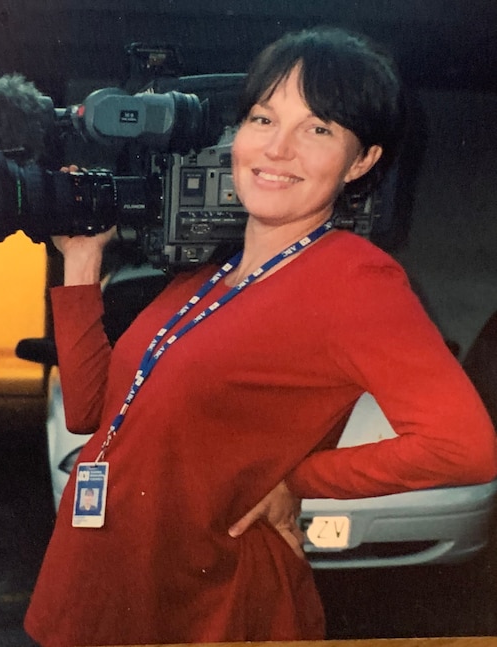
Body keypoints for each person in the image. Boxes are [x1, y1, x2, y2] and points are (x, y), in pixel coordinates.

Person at [24, 26, 497, 646]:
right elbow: (92, 413)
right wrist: (82, 263)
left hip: (204, 605)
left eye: (318, 129)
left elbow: (464, 447)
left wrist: (298, 480)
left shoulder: (355, 277)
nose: (278, 149)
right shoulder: (206, 276)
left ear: (362, 161)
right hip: (99, 581)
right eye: (263, 118)